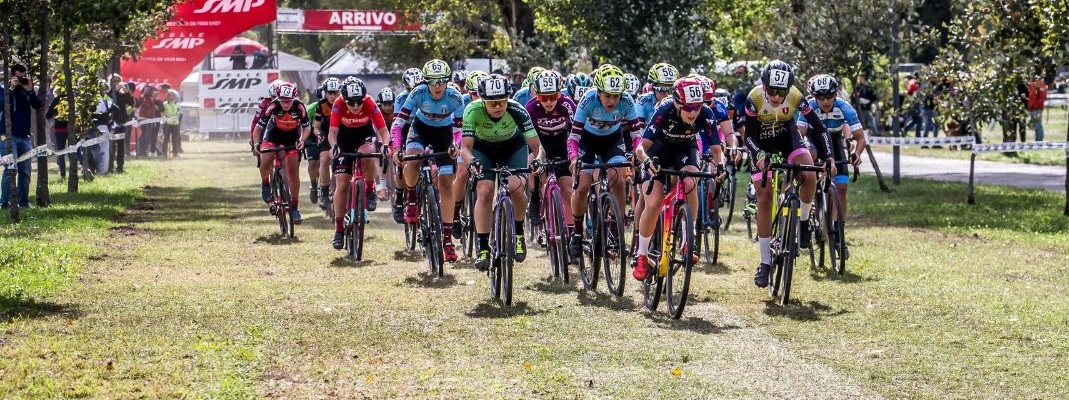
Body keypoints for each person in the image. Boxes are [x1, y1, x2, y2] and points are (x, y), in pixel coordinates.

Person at [744, 60, 835, 288]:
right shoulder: (754, 98)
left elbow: (820, 129)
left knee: (809, 175)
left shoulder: (795, 96)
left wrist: (830, 156)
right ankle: (765, 262)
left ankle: (803, 221)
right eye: (772, 91)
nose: (775, 97)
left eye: (781, 92)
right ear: (764, 86)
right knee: (764, 198)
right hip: (760, 142)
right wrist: (759, 156)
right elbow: (748, 137)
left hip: (787, 136)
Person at [631, 77, 723, 280]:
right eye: (688, 108)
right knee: (653, 203)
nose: (693, 113)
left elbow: (717, 149)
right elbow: (640, 148)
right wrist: (646, 162)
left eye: (697, 108)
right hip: (657, 151)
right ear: (677, 103)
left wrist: (721, 165)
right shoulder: (665, 109)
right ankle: (642, 255)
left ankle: (690, 236)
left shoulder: (705, 113)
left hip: (685, 150)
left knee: (691, 182)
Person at [462, 74, 541, 270]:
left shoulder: (517, 109)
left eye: (502, 101)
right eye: (493, 103)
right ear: (483, 100)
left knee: (516, 187)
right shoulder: (472, 110)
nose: (498, 107)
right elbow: (465, 148)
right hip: (484, 150)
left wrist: (538, 160)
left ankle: (519, 233)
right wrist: (472, 161)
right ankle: (482, 248)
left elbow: (536, 146)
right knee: (485, 190)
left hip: (512, 148)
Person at [391, 59, 466, 263]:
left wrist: (456, 145)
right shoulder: (417, 93)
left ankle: (448, 240)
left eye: (442, 81)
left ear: (447, 81)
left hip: (444, 133)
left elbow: (459, 130)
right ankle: (412, 197)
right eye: (433, 82)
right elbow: (398, 123)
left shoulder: (455, 97)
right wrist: (397, 148)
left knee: (446, 186)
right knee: (412, 160)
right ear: (426, 82)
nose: (438, 86)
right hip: (420, 130)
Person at [566, 64, 643, 261]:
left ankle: (615, 227)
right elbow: (573, 137)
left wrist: (636, 154)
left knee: (618, 178)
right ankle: (576, 233)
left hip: (612, 140)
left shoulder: (626, 100)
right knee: (582, 186)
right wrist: (574, 158)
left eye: (616, 96)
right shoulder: (588, 100)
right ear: (598, 92)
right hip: (587, 141)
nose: (612, 101)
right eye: (607, 96)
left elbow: (636, 135)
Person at [798, 74, 865, 259]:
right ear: (813, 96)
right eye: (820, 96)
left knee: (842, 187)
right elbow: (800, 133)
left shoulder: (844, 106)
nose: (825, 100)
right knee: (809, 156)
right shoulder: (809, 106)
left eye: (829, 95)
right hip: (814, 141)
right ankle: (808, 199)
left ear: (836, 94)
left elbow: (860, 137)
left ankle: (837, 232)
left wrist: (857, 154)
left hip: (835, 142)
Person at [328, 78, 389, 249]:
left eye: (358, 102)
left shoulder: (369, 102)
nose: (355, 106)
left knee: (368, 155)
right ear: (344, 99)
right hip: (344, 139)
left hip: (364, 135)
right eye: (351, 103)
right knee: (342, 184)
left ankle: (369, 188)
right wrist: (334, 147)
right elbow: (332, 133)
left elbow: (384, 131)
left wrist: (384, 145)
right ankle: (339, 229)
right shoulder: (338, 104)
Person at [525, 69, 576, 238]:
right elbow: (530, 138)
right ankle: (534, 197)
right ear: (536, 95)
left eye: (553, 96)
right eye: (543, 97)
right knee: (532, 160)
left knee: (567, 190)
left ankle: (570, 233)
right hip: (540, 143)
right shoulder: (531, 107)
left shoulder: (567, 104)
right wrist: (539, 156)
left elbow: (575, 132)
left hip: (561, 143)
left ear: (560, 93)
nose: (548, 102)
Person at [252, 82, 311, 224]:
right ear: (278, 98)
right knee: (266, 158)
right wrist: (256, 144)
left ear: (294, 98)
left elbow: (306, 128)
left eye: (289, 101)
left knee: (293, 171)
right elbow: (259, 129)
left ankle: (295, 208)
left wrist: (302, 140)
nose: (286, 104)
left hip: (292, 137)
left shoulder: (299, 107)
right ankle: (266, 184)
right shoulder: (273, 106)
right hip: (273, 135)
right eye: (283, 100)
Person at [0, 64, 43, 208]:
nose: (20, 80)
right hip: (8, 136)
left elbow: (38, 105)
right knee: (11, 169)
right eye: (17, 77)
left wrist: (30, 90)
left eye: (22, 77)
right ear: (11, 76)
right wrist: (11, 89)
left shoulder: (27, 90)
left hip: (25, 137)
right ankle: (5, 202)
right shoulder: (3, 90)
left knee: (25, 171)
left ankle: (23, 202)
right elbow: (1, 105)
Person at [388, 68, 425, 223]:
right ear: (405, 88)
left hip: (423, 130)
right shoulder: (401, 99)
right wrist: (397, 148)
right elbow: (397, 125)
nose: (414, 92)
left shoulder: (428, 96)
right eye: (410, 89)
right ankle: (398, 197)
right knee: (404, 162)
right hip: (405, 131)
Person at [312, 77, 342, 208]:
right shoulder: (321, 105)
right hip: (326, 134)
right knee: (324, 159)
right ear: (325, 92)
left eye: (336, 92)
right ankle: (324, 192)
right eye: (330, 92)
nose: (333, 95)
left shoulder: (345, 102)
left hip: (342, 135)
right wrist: (319, 135)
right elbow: (316, 127)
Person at [135, 85, 164, 157]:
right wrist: (137, 117)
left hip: (150, 120)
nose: (148, 91)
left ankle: (144, 151)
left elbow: (152, 111)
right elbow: (136, 108)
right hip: (143, 119)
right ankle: (140, 150)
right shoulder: (142, 98)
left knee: (147, 136)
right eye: (147, 90)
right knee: (144, 135)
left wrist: (153, 120)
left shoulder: (151, 99)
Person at [160, 90, 182, 157]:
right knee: (166, 139)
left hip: (175, 124)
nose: (171, 97)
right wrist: (165, 118)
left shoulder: (177, 104)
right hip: (167, 124)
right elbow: (162, 113)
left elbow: (179, 113)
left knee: (175, 139)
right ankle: (164, 153)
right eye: (170, 96)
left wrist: (178, 121)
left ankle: (175, 153)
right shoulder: (164, 104)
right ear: (167, 97)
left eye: (172, 96)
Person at [1027, 75, 1047, 141]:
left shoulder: (1040, 83)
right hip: (1031, 108)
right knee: (1035, 125)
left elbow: (1043, 96)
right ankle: (1037, 142)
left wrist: (1035, 105)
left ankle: (1039, 142)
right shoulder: (1030, 82)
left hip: (1037, 108)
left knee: (1038, 125)